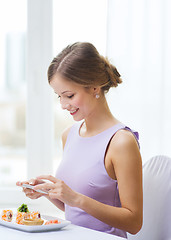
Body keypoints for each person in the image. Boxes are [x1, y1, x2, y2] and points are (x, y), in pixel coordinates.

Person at [16, 42, 142, 238]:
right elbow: (74, 210)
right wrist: (48, 192)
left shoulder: (121, 142)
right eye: (59, 96)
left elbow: (134, 222)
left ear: (94, 87)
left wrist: (76, 198)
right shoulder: (69, 135)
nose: (63, 105)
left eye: (69, 95)